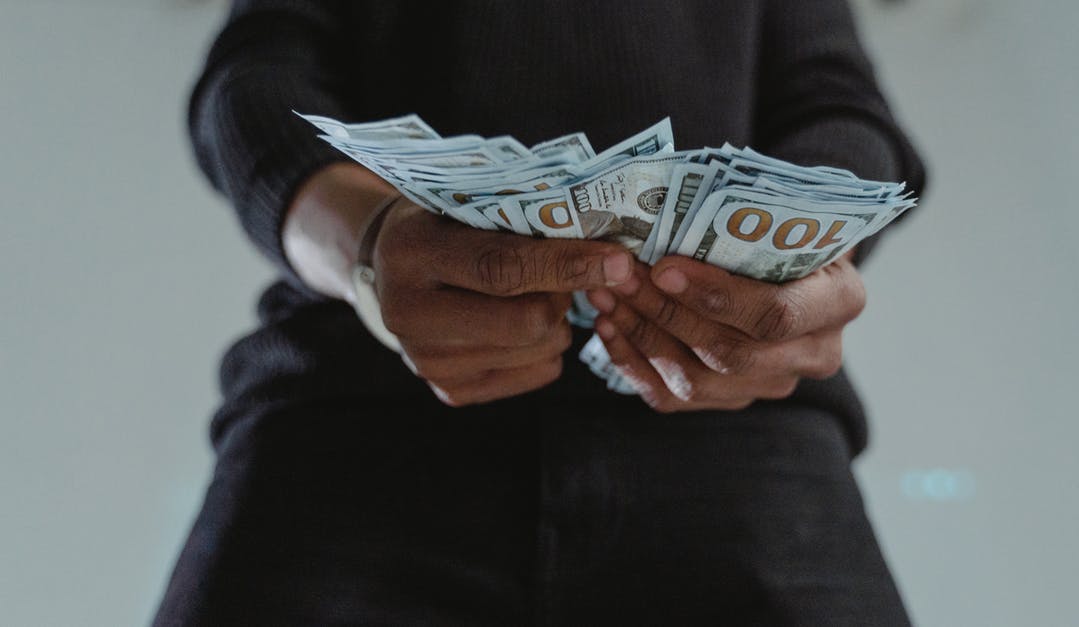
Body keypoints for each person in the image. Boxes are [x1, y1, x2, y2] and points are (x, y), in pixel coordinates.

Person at [155, 1, 927, 625]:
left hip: (744, 437)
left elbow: (837, 105)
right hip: (352, 422)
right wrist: (367, 246)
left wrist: (803, 271)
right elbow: (257, 76)